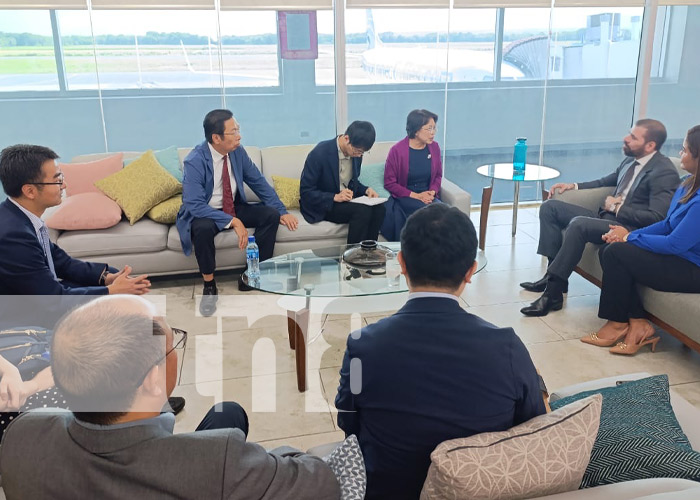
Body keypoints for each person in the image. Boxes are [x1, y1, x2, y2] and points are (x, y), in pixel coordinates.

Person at [0, 295, 340, 499]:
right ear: (151, 380)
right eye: (170, 339)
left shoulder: (22, 435)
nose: (175, 345)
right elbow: (323, 481)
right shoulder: (221, 461)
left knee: (227, 413)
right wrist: (270, 459)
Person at [335, 203, 546, 500]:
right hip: (477, 490)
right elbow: (531, 429)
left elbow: (348, 419)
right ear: (471, 270)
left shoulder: (362, 346)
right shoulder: (506, 347)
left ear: (402, 263)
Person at [520, 119, 680, 317]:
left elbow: (657, 218)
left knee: (578, 224)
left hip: (626, 228)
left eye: (633, 137)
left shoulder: (663, 172)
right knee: (550, 208)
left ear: (650, 145)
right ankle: (554, 279)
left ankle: (552, 293)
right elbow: (608, 180)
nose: (625, 138)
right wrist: (575, 186)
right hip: (604, 217)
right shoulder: (632, 160)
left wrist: (617, 207)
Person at [582, 125, 700, 355]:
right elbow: (667, 224)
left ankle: (618, 324)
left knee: (617, 252)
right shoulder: (687, 182)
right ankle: (637, 322)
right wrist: (626, 236)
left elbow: (675, 243)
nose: (680, 154)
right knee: (611, 250)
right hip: (678, 258)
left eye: (685, 150)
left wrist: (628, 237)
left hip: (693, 270)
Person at [176, 109, 298, 316]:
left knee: (269, 215)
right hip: (206, 212)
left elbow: (258, 183)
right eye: (233, 131)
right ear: (216, 138)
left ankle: (253, 273)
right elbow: (194, 204)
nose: (239, 136)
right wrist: (233, 221)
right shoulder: (194, 160)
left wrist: (281, 210)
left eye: (238, 129)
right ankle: (209, 286)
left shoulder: (237, 152)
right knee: (202, 230)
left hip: (233, 205)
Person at [0, 144, 152, 297]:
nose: (64, 185)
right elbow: (51, 299)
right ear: (30, 191)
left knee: (109, 276)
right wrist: (110, 291)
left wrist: (106, 279)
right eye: (57, 180)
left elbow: (62, 263)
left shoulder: (23, 218)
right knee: (120, 299)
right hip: (20, 311)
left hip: (40, 295)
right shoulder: (13, 236)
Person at [300, 121, 386, 244]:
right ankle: (351, 257)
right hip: (324, 203)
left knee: (379, 209)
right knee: (362, 211)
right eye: (358, 151)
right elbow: (306, 192)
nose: (359, 155)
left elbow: (351, 182)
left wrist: (366, 190)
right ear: (346, 139)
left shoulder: (357, 155)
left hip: (346, 201)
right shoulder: (319, 153)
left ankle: (369, 252)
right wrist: (335, 197)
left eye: (363, 152)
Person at [381, 109, 443, 240]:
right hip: (406, 196)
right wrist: (417, 196)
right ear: (416, 130)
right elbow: (389, 183)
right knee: (431, 215)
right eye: (429, 128)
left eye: (434, 128)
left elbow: (438, 175)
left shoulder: (434, 147)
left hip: (427, 196)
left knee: (447, 213)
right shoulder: (397, 151)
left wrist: (432, 192)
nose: (433, 133)